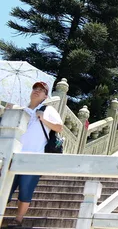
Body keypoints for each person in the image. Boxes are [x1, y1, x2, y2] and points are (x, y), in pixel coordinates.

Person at [7, 82, 63, 226]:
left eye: (41, 90)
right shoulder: (21, 109)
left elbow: (59, 127)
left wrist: (43, 118)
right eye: (35, 89)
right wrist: (9, 111)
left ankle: (18, 220)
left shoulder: (47, 109)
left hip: (33, 157)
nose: (37, 91)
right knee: (4, 188)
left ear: (46, 96)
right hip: (13, 155)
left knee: (26, 189)